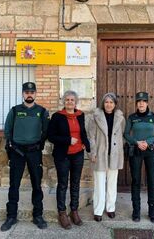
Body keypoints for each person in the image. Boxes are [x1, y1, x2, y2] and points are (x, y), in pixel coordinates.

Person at [1, 82, 49, 231]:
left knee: (36, 184)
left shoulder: (42, 111)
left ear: (35, 94)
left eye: (32, 92)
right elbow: (7, 130)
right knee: (14, 185)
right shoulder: (15, 111)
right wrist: (12, 146)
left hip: (34, 152)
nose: (29, 94)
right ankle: (11, 217)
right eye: (27, 92)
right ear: (23, 94)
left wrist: (39, 145)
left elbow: (46, 131)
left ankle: (38, 216)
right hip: (17, 152)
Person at [47, 90, 91, 229]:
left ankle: (74, 211)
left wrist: (86, 144)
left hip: (78, 154)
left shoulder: (80, 115)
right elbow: (51, 136)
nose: (70, 102)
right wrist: (68, 140)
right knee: (63, 184)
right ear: (63, 102)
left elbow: (82, 131)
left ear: (76, 102)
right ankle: (62, 213)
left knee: (75, 183)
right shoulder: (57, 117)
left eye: (72, 100)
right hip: (63, 155)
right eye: (67, 100)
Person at [124, 91, 154, 223]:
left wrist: (147, 142)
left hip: (150, 152)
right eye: (139, 101)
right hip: (136, 152)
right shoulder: (132, 117)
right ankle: (136, 211)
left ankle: (152, 212)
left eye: (143, 101)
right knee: (136, 181)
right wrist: (136, 142)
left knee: (152, 181)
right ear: (136, 104)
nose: (141, 103)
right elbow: (126, 134)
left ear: (147, 103)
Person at [87, 93, 126, 222]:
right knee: (99, 184)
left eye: (111, 102)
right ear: (103, 103)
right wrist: (92, 152)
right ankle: (98, 210)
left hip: (114, 155)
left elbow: (123, 135)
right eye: (106, 102)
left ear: (115, 104)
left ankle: (110, 208)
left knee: (112, 183)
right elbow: (90, 137)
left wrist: (119, 149)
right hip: (99, 155)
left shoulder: (120, 118)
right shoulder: (95, 117)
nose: (108, 104)